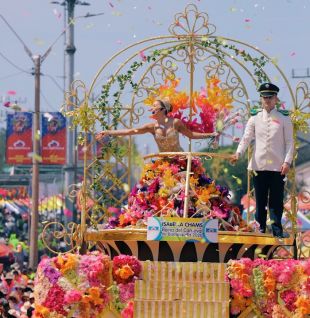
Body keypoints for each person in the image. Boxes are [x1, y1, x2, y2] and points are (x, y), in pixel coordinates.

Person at [233, 83, 294, 238]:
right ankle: (260, 228)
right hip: (258, 166)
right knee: (260, 200)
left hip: (277, 166)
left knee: (276, 201)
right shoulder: (254, 118)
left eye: (270, 97)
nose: (267, 100)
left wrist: (287, 162)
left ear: (276, 99)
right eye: (264, 97)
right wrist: (238, 153)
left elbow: (290, 143)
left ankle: (276, 229)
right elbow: (246, 138)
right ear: (261, 99)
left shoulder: (284, 119)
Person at [96, 99, 218, 151]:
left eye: (154, 106)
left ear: (163, 109)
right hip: (163, 164)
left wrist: (211, 135)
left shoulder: (175, 123)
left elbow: (191, 135)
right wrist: (108, 132)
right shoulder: (151, 127)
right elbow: (130, 131)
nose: (152, 108)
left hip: (180, 161)